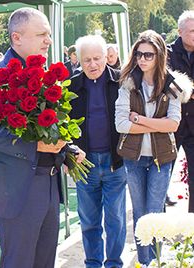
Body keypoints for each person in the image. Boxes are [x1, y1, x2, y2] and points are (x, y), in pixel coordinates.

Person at [0, 7, 85, 268]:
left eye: (48, 34)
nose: (49, 40)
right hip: (17, 188)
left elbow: (45, 128)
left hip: (49, 184)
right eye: (41, 34)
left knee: (45, 261)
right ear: (17, 38)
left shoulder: (45, 75)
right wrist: (36, 144)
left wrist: (66, 149)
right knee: (19, 262)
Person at [115, 30, 192, 266]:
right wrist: (156, 125)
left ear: (159, 55)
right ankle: (145, 262)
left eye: (148, 55)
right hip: (133, 158)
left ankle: (156, 262)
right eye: (138, 54)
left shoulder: (174, 86)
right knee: (140, 214)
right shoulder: (127, 83)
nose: (142, 59)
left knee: (155, 213)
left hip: (162, 157)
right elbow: (121, 124)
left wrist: (139, 120)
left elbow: (173, 124)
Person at [68, 35, 126, 268]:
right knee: (89, 221)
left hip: (116, 162)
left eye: (97, 58)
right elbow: (63, 125)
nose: (93, 64)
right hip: (85, 164)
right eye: (87, 60)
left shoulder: (122, 82)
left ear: (107, 57)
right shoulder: (72, 86)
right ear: (79, 61)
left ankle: (113, 263)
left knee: (116, 219)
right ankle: (92, 263)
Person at [167, 10, 194, 212]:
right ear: (180, 31)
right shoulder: (166, 53)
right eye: (192, 31)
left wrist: (184, 89)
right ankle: (157, 233)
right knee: (161, 180)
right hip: (170, 124)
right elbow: (166, 84)